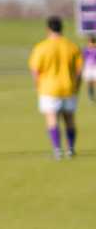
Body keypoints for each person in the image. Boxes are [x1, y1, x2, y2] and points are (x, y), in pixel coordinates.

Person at [29, 16, 80, 159]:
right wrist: (76, 85)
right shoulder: (71, 46)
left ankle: (57, 150)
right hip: (69, 87)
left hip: (48, 88)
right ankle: (70, 149)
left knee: (52, 118)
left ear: (47, 29)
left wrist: (37, 85)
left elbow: (35, 70)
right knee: (69, 119)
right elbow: (78, 69)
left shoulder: (41, 47)